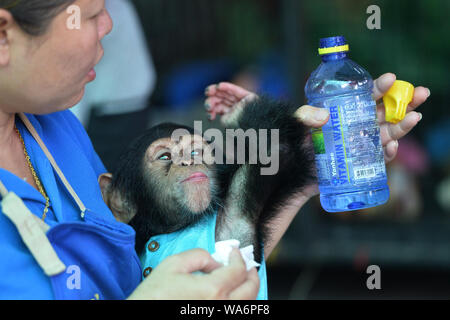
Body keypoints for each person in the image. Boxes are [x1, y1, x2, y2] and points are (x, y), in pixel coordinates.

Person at [0, 0, 429, 299]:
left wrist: (313, 160)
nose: (111, 24)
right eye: (91, 13)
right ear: (4, 34)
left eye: (196, 147)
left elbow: (235, 243)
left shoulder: (55, 126)